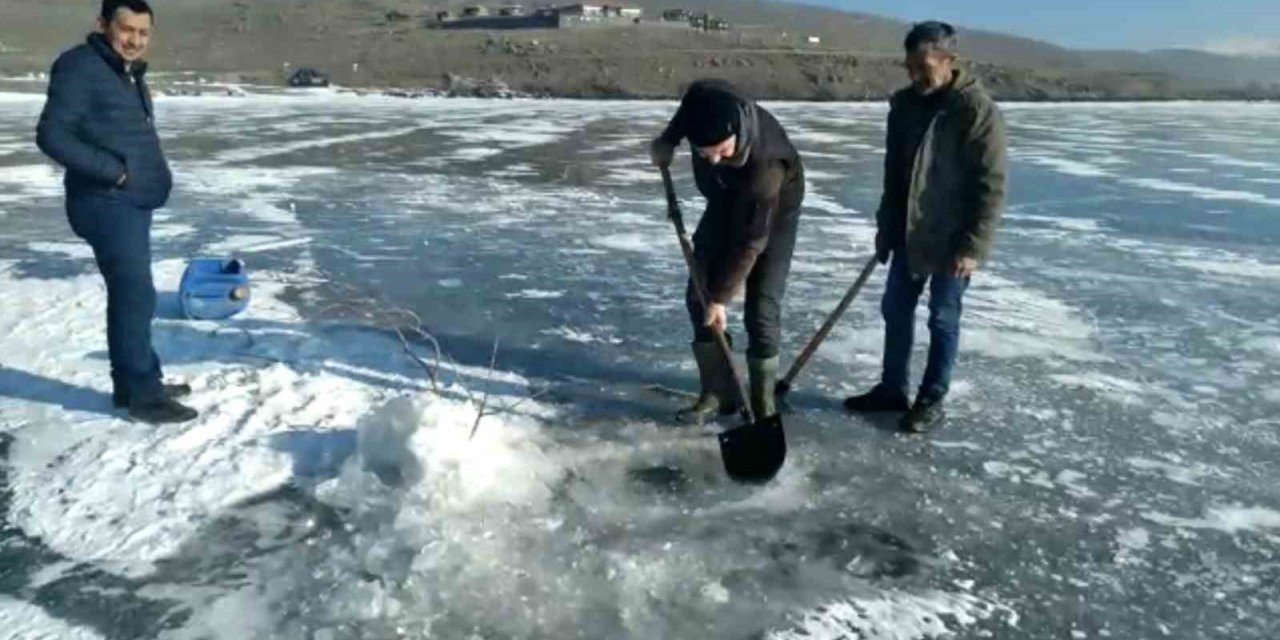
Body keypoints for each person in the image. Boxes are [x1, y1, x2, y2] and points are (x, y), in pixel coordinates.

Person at [36, 0, 198, 424]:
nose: (135, 40)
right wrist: (117, 174)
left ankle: (137, 380)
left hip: (128, 203)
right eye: (127, 30)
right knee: (133, 295)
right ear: (102, 25)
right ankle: (141, 394)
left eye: (143, 34)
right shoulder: (79, 66)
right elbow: (52, 135)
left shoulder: (122, 72)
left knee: (137, 295)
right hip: (104, 202)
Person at [843, 21, 1007, 433]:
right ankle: (892, 389)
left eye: (923, 66)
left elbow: (991, 184)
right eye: (909, 67)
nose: (915, 76)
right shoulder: (904, 105)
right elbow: (894, 175)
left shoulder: (975, 109)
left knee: (943, 318)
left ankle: (931, 399)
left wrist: (973, 246)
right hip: (908, 230)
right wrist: (885, 227)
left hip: (953, 236)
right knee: (896, 309)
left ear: (949, 61)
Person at [650, 79, 805, 424]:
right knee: (698, 296)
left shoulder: (767, 167)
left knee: (761, 307)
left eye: (722, 150)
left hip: (774, 212)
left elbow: (751, 241)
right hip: (724, 200)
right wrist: (668, 141)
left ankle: (763, 406)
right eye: (706, 154)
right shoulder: (702, 101)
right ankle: (719, 393)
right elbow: (690, 103)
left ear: (738, 131)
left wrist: (721, 298)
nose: (716, 160)